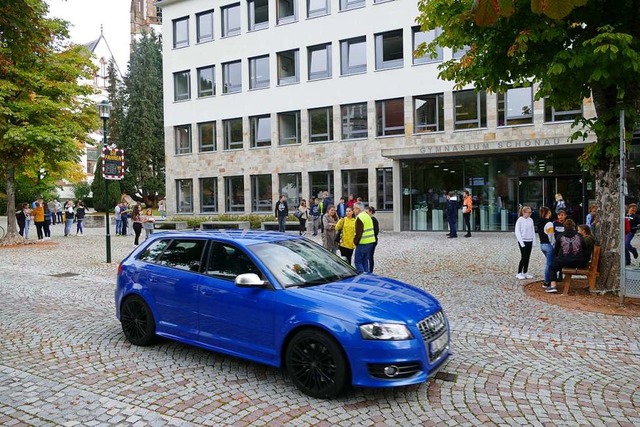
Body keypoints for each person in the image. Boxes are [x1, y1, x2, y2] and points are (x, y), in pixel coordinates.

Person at [546, 219, 587, 293]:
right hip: (579, 262)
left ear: (564, 227)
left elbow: (556, 250)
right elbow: (584, 249)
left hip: (564, 261)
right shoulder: (579, 236)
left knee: (552, 268)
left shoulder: (560, 236)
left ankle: (553, 286)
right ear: (574, 227)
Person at [352, 202, 376, 274]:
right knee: (365, 261)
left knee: (358, 262)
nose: (353, 210)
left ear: (358, 209)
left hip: (363, 242)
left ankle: (362, 277)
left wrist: (355, 242)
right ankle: (367, 276)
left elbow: (359, 232)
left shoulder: (360, 217)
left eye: (354, 208)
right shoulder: (367, 215)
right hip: (371, 241)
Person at [514, 206, 535, 280]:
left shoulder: (531, 220)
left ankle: (525, 272)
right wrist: (521, 242)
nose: (530, 214)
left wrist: (533, 241)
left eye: (530, 212)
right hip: (523, 240)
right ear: (524, 212)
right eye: (528, 212)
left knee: (528, 257)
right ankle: (519, 272)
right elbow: (517, 232)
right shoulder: (520, 220)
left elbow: (533, 231)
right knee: (523, 257)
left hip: (529, 240)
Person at [537, 206, 555, 289]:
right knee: (549, 264)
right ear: (548, 213)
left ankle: (549, 280)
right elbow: (550, 235)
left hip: (542, 244)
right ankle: (547, 282)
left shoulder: (540, 222)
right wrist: (553, 244)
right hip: (548, 245)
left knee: (549, 262)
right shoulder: (549, 223)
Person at [366, 206, 380, 273]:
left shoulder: (374, 220)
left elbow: (376, 231)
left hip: (372, 241)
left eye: (367, 212)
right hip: (368, 240)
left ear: (371, 212)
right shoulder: (367, 219)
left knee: (370, 256)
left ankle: (370, 271)